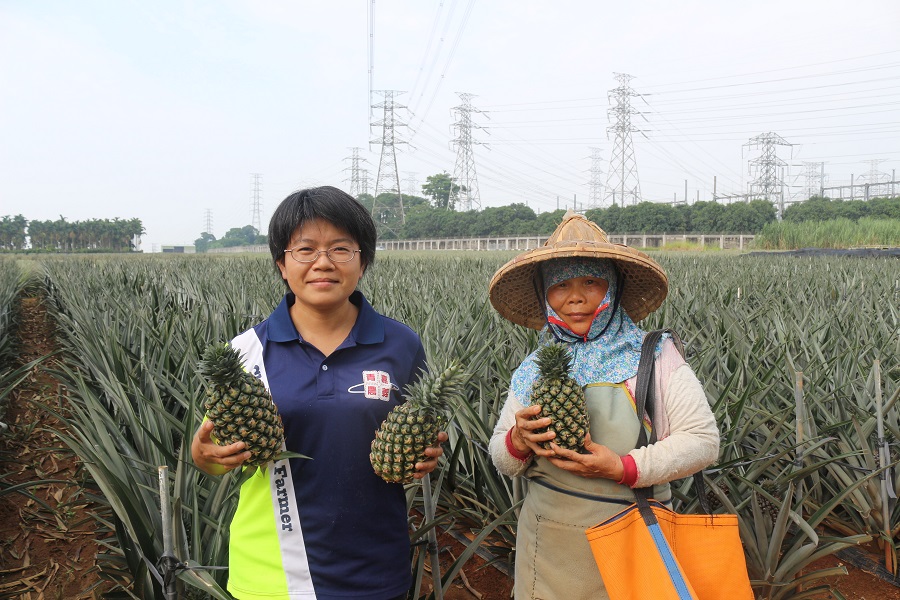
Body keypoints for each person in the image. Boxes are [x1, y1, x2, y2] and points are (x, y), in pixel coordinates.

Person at [191, 186, 445, 600]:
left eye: (341, 249)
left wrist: (426, 455)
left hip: (374, 570)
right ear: (281, 263)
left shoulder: (401, 345)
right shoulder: (243, 353)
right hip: (270, 574)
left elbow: (423, 433)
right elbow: (216, 453)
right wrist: (206, 458)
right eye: (305, 250)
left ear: (362, 261)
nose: (323, 263)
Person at [487, 211, 720, 600]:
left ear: (612, 288)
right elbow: (501, 456)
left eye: (590, 282)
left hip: (632, 535)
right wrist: (517, 440)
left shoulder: (654, 356)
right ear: (545, 293)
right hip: (547, 547)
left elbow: (702, 441)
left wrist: (623, 467)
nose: (574, 297)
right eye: (560, 285)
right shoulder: (534, 368)